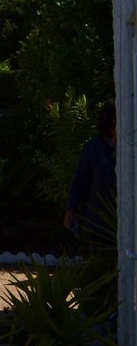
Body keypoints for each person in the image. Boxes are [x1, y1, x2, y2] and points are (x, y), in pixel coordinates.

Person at [63, 101, 118, 245]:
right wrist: (71, 212)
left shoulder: (129, 147)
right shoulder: (93, 148)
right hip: (99, 221)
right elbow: (79, 180)